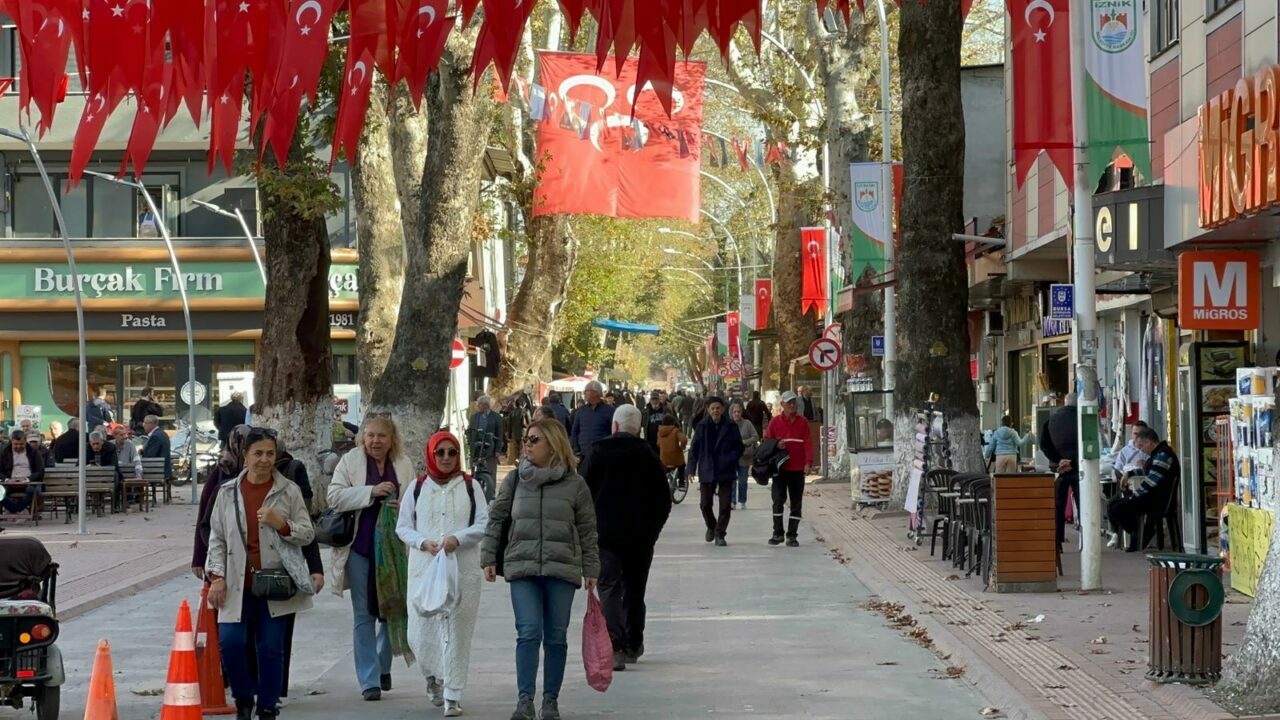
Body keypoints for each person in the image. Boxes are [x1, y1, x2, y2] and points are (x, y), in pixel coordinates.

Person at [481, 418, 599, 720]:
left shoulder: (576, 484)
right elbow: (496, 519)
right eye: (526, 439)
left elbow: (587, 529)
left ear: (553, 443)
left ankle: (550, 701)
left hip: (562, 568)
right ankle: (524, 701)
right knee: (528, 632)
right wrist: (488, 558)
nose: (527, 444)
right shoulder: (515, 480)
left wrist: (591, 567)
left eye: (535, 439)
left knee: (556, 636)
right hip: (523, 566)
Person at [205, 427, 317, 720]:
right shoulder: (227, 492)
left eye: (270, 453)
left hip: (274, 583)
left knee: (270, 647)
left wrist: (282, 524)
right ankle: (243, 698)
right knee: (230, 642)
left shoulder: (288, 491)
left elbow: (307, 534)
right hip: (234, 584)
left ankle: (267, 705)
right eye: (258, 454)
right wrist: (216, 577)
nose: (265, 460)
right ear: (245, 457)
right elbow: (216, 538)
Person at [397, 431, 489, 717]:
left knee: (457, 634)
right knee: (419, 633)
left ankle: (452, 694)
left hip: (462, 571)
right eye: (441, 453)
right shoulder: (417, 487)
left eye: (452, 452)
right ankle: (433, 677)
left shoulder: (471, 487)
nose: (447, 458)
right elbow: (403, 527)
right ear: (431, 455)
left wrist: (458, 539)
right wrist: (422, 542)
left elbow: (483, 523)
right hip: (424, 571)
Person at [326, 415, 415, 701]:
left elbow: (416, 500)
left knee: (392, 611)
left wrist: (404, 506)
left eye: (381, 436)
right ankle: (369, 680)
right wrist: (370, 492)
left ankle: (382, 664)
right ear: (362, 437)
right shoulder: (350, 461)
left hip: (393, 550)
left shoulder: (403, 463)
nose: (375, 441)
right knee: (363, 614)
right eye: (370, 435)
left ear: (392, 440)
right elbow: (334, 497)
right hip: (360, 548)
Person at [579, 405, 671, 672]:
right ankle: (633, 642)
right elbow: (663, 501)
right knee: (634, 589)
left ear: (615, 427)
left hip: (604, 535)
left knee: (609, 587)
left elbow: (581, 494)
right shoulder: (649, 456)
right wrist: (652, 531)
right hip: (640, 538)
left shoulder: (597, 453)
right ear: (638, 428)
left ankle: (616, 645)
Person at [1107, 428, 1180, 552]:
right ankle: (1140, 532)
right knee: (1113, 504)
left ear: (1149, 442)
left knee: (1118, 508)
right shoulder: (1158, 454)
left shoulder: (1163, 455)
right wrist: (1130, 473)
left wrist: (1133, 495)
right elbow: (1148, 471)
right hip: (1154, 497)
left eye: (1141, 446)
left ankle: (1140, 533)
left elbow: (1150, 482)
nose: (1141, 450)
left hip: (1158, 500)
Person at [687, 397, 743, 547]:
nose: (715, 411)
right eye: (712, 408)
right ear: (708, 410)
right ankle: (712, 526)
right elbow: (694, 448)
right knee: (705, 504)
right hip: (707, 468)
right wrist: (690, 468)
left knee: (725, 505)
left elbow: (739, 447)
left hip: (726, 469)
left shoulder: (731, 426)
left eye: (718, 408)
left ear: (723, 409)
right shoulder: (702, 426)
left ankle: (720, 534)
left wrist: (730, 457)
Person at [765, 391, 812, 547]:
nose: (792, 405)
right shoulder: (775, 422)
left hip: (798, 469)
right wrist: (776, 444)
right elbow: (766, 442)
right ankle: (778, 533)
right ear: (782, 405)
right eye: (789, 403)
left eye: (794, 402)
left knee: (796, 503)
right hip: (780, 469)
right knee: (778, 501)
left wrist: (808, 463)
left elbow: (808, 443)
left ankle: (792, 535)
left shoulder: (803, 422)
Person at [1040, 397, 1080, 547]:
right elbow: (1085, 443)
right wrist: (1072, 462)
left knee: (1058, 504)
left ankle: (1057, 541)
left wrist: (1059, 460)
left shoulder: (1051, 419)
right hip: (1077, 469)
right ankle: (1086, 539)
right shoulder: (1080, 418)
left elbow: (1044, 444)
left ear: (1065, 403)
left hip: (1057, 469)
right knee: (1082, 503)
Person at [467, 395, 506, 501]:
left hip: (490, 447)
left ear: (485, 405)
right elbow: (469, 431)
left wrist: (498, 450)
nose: (477, 406)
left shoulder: (496, 417)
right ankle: (474, 490)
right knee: (474, 469)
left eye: (479, 404)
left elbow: (500, 434)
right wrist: (470, 442)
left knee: (491, 470)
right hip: (476, 447)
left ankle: (491, 492)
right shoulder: (474, 417)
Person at [0, 429, 45, 514]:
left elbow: (40, 471)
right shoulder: (4, 451)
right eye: (15, 444)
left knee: (33, 491)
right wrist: (6, 479)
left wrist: (28, 479)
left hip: (30, 482)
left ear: (25, 441)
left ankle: (15, 509)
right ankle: (17, 509)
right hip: (10, 482)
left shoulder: (33, 451)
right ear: (11, 441)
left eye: (21, 444)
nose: (18, 446)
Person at [569, 381, 614, 462]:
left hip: (602, 456)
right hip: (583, 456)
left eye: (586, 391)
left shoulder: (610, 411)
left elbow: (614, 432)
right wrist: (576, 450)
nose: (584, 393)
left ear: (596, 393)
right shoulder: (581, 411)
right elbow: (574, 432)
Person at [729, 402, 760, 510]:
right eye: (734, 412)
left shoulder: (747, 423)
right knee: (732, 480)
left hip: (744, 456)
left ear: (741, 413)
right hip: (731, 457)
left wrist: (744, 442)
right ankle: (732, 501)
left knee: (742, 481)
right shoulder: (728, 424)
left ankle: (742, 501)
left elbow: (756, 437)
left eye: (738, 412)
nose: (736, 414)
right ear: (731, 413)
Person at [656, 415, 688, 486]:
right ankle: (681, 482)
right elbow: (684, 439)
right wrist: (683, 446)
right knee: (682, 465)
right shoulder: (675, 430)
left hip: (664, 459)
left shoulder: (660, 432)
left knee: (664, 468)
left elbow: (658, 444)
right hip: (675, 458)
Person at [141, 414, 173, 483]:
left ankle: (137, 493)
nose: (143, 425)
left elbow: (150, 455)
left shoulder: (155, 436)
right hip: (164, 470)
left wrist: (141, 456)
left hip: (158, 471)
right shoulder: (162, 433)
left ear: (152, 424)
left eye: (145, 423)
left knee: (134, 473)